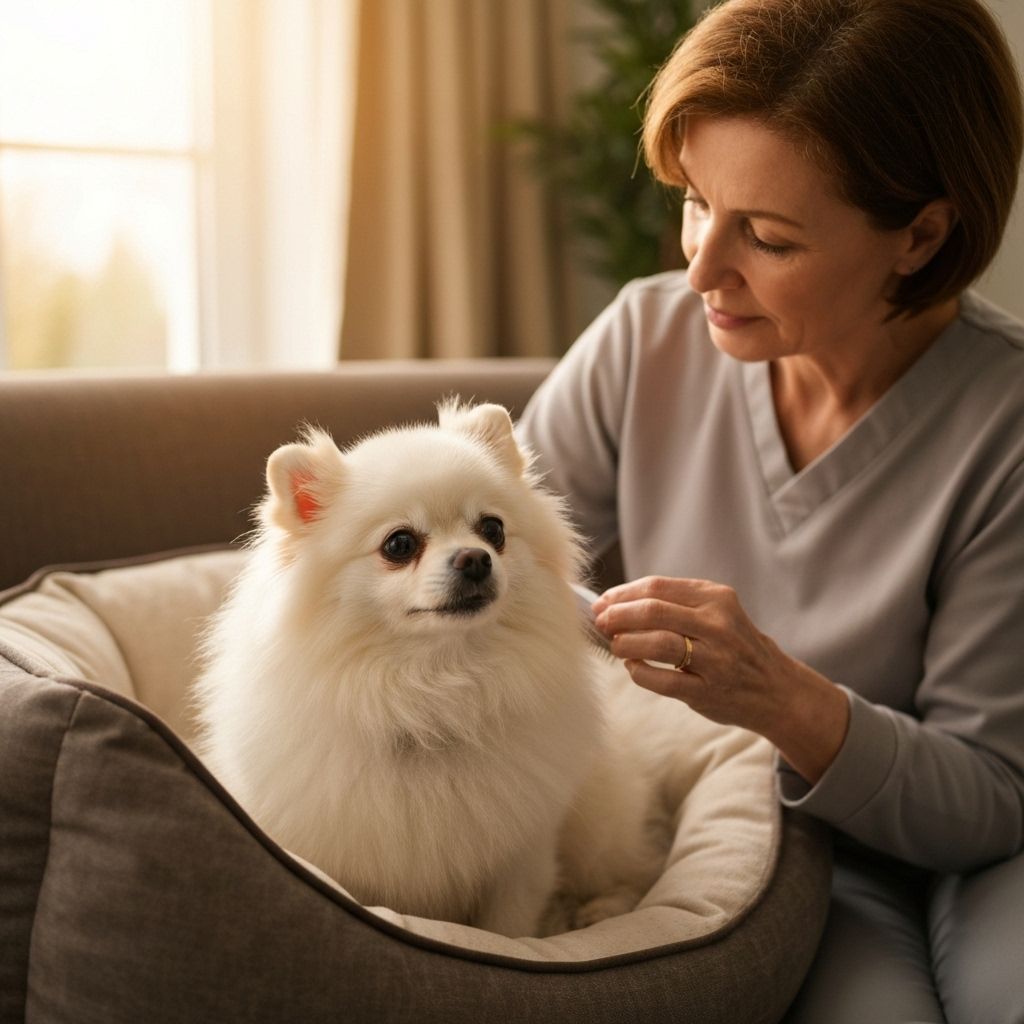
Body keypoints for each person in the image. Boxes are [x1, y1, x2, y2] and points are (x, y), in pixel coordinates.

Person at [516, 1, 1024, 1021]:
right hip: (737, 835)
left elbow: (988, 798)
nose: (700, 268)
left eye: (769, 237)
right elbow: (498, 554)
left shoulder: (1003, 424)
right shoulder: (640, 340)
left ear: (920, 236)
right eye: (698, 202)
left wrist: (781, 697)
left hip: (974, 848)